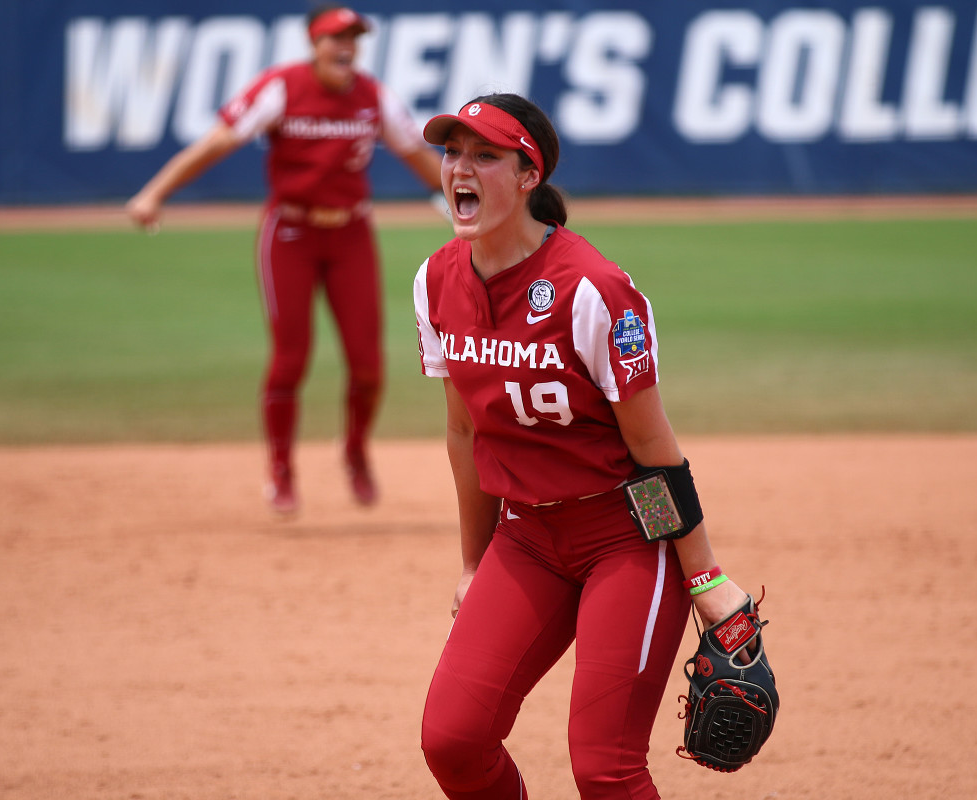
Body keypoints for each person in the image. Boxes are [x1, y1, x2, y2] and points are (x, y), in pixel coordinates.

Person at [413, 93, 761, 799]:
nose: (460, 169)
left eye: (485, 155)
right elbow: (465, 432)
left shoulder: (594, 292)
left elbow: (653, 449)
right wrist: (472, 562)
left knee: (605, 767)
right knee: (453, 739)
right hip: (526, 538)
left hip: (625, 538)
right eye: (452, 152)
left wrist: (704, 577)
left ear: (527, 175)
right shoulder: (436, 280)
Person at [126, 4, 443, 515]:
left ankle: (356, 451)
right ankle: (281, 469)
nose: (347, 48)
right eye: (335, 39)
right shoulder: (282, 88)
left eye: (354, 39)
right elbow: (218, 142)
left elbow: (418, 155)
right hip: (290, 233)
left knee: (369, 366)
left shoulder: (372, 97)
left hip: (351, 233)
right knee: (291, 359)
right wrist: (154, 192)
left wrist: (466, 204)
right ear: (313, 44)